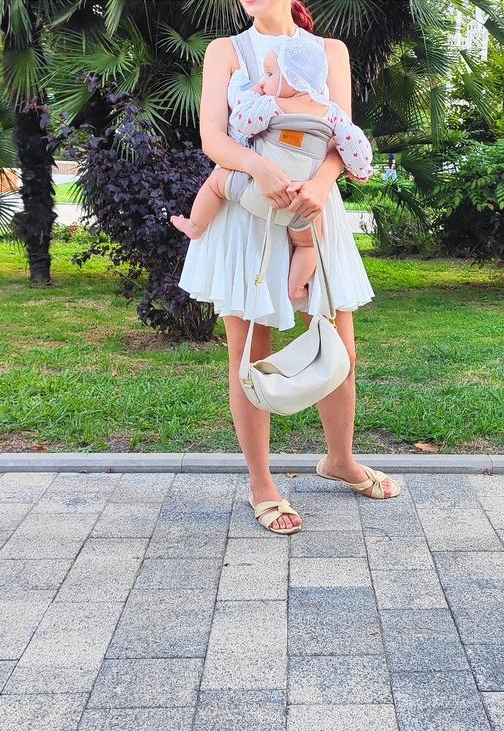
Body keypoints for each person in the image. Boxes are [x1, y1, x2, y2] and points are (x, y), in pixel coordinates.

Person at [178, 0, 400, 535]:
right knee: (249, 350)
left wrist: (321, 187)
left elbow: (340, 133)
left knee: (338, 343)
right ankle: (262, 484)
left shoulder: (330, 51)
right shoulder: (225, 51)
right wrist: (258, 168)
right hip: (246, 210)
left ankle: (340, 460)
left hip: (314, 211)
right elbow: (213, 138)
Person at [171, 37, 374, 306]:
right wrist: (361, 169)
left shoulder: (271, 105)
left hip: (258, 193)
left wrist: (253, 93)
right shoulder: (332, 113)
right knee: (309, 245)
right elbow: (356, 147)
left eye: (269, 74)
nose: (264, 81)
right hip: (303, 204)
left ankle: (195, 225)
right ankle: (297, 287)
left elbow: (241, 122)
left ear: (291, 78)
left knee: (216, 182)